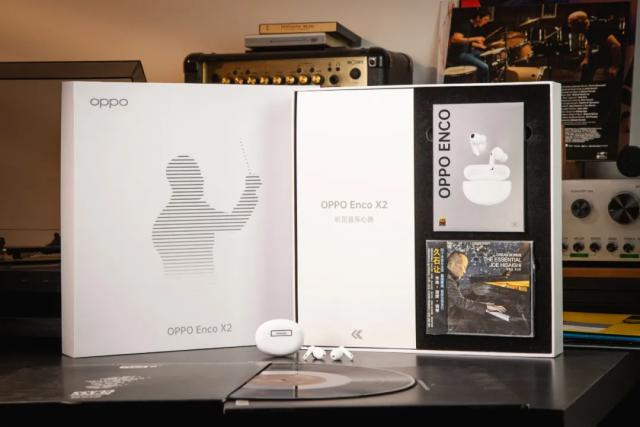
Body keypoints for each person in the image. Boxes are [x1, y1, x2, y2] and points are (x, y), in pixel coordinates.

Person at [446, 251, 506, 333]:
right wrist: (485, 307)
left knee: (473, 319)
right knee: (473, 324)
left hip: (448, 314)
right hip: (443, 319)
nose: (464, 272)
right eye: (464, 267)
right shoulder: (448, 280)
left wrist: (484, 305)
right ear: (457, 266)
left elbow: (457, 298)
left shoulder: (446, 276)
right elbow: (460, 301)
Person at [567, 10, 623, 82]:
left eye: (571, 23)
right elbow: (589, 44)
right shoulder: (586, 29)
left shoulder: (597, 27)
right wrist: (586, 59)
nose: (569, 26)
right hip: (609, 50)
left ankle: (585, 84)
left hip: (619, 52)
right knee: (588, 63)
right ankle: (585, 84)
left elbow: (616, 45)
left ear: (579, 23)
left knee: (592, 62)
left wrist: (615, 66)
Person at [449, 8, 493, 82]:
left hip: (466, 51)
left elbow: (465, 41)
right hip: (459, 54)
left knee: (484, 55)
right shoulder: (465, 25)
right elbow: (455, 39)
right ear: (478, 18)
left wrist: (477, 45)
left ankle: (478, 80)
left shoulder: (473, 26)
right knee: (485, 67)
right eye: (485, 19)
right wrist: (476, 38)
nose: (486, 22)